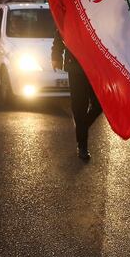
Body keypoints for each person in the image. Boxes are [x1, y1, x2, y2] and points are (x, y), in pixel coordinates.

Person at [51, 30, 102, 160]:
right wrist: (56, 56)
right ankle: (82, 147)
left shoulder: (99, 9)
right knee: (79, 108)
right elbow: (61, 30)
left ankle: (82, 127)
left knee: (99, 104)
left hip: (96, 66)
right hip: (75, 66)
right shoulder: (72, 10)